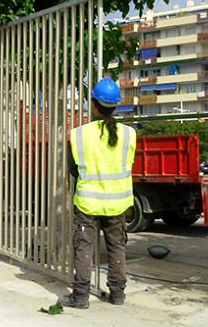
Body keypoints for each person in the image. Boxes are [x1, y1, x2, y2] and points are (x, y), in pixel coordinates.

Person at [58, 78, 136, 308]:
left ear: (93, 104)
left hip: (88, 203)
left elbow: (73, 169)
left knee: (84, 247)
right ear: (116, 105)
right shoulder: (130, 134)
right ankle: (118, 294)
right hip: (118, 203)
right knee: (117, 246)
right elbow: (128, 164)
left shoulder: (80, 134)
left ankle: (80, 296)